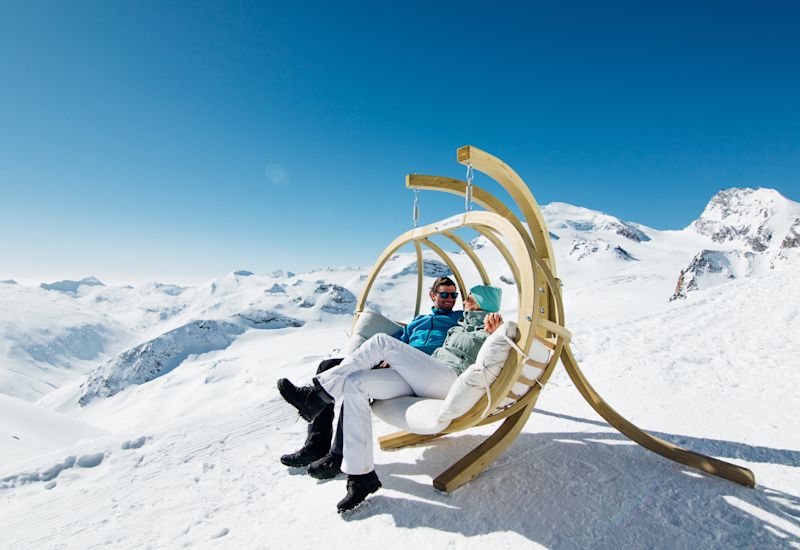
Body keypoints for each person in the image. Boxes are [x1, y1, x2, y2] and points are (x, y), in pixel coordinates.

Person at [278, 284, 503, 513]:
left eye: (467, 298)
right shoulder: (458, 322)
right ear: (433, 296)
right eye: (449, 295)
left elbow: (502, 343)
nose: (460, 301)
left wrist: (496, 333)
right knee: (356, 383)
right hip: (420, 375)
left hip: (448, 379)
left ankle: (315, 397)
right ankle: (361, 475)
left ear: (483, 303)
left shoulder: (489, 325)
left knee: (381, 342)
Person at [279, 276, 464, 479]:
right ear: (433, 295)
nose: (450, 299)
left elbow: (465, 336)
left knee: (355, 378)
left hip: (421, 371)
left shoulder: (458, 319)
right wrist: (388, 356)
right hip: (394, 365)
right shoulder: (418, 322)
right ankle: (316, 444)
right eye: (445, 294)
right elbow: (398, 341)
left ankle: (337, 453)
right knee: (327, 366)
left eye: (454, 295)